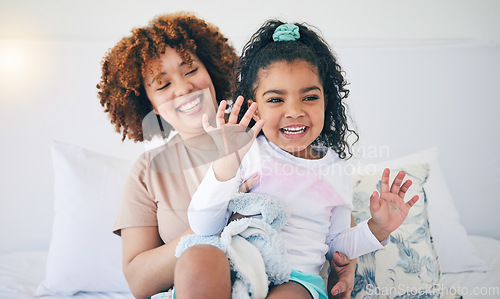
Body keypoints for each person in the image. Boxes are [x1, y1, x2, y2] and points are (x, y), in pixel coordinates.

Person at [97, 12, 356, 299]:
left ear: (212, 71)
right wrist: (225, 222)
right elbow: (138, 282)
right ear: (150, 104)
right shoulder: (148, 169)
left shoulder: (268, 133)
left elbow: (325, 203)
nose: (183, 88)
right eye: (163, 84)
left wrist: (348, 262)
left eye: (191, 70)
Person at [186, 20, 419, 299]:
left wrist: (378, 228)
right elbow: (203, 227)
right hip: (232, 263)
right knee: (196, 257)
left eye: (309, 97)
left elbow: (335, 245)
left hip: (295, 279)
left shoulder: (334, 170)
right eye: (275, 100)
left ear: (326, 102)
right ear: (254, 109)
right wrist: (226, 163)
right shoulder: (244, 153)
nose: (294, 111)